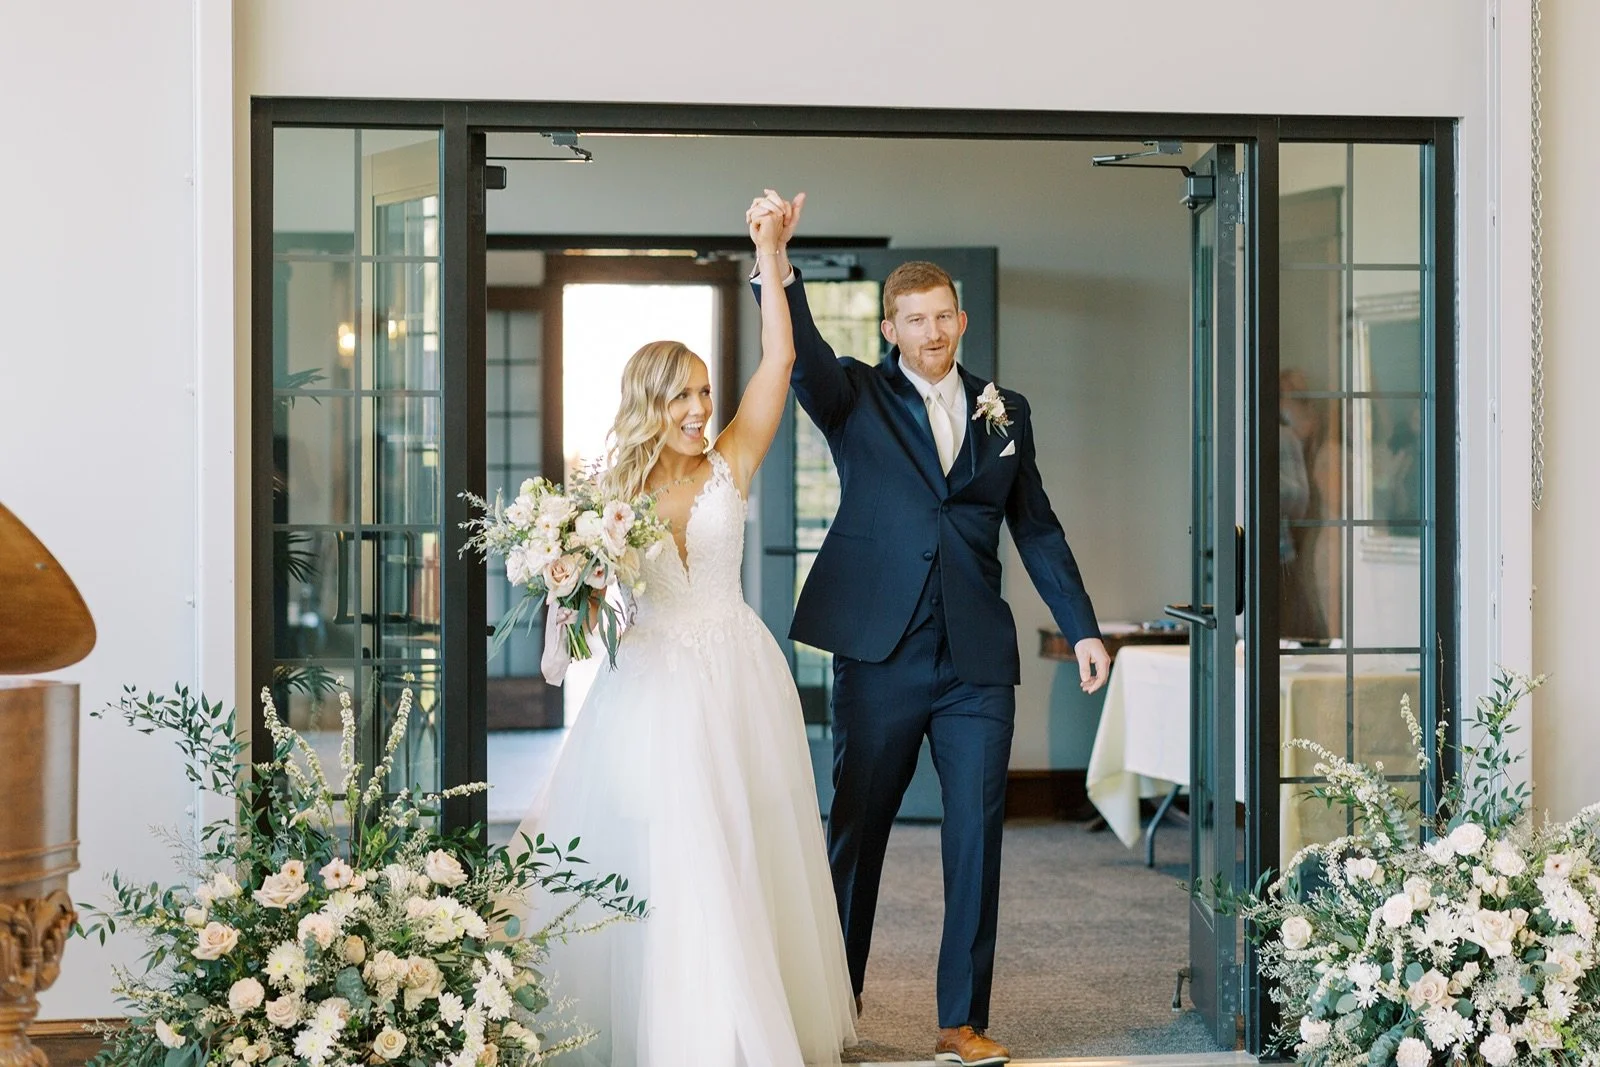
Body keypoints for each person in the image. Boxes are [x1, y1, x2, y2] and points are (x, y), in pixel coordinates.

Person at [747, 190, 1110, 1067]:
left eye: (943, 315)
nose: (932, 331)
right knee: (858, 832)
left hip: (977, 659)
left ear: (962, 317)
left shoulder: (1005, 409)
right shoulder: (855, 399)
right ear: (891, 328)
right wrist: (776, 257)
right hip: (881, 653)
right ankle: (837, 1010)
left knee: (976, 835)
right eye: (914, 319)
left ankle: (960, 1022)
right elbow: (801, 361)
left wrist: (1083, 627)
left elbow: (1038, 525)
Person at [510, 204, 856, 1066]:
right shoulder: (602, 493)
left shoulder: (731, 459)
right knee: (672, 848)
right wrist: (565, 592)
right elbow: (575, 614)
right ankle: (682, 1031)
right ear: (648, 402)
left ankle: (736, 1027)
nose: (702, 407)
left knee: (736, 842)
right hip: (653, 687)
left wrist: (769, 255)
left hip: (735, 671)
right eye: (685, 395)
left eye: (706, 390)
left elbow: (780, 358)